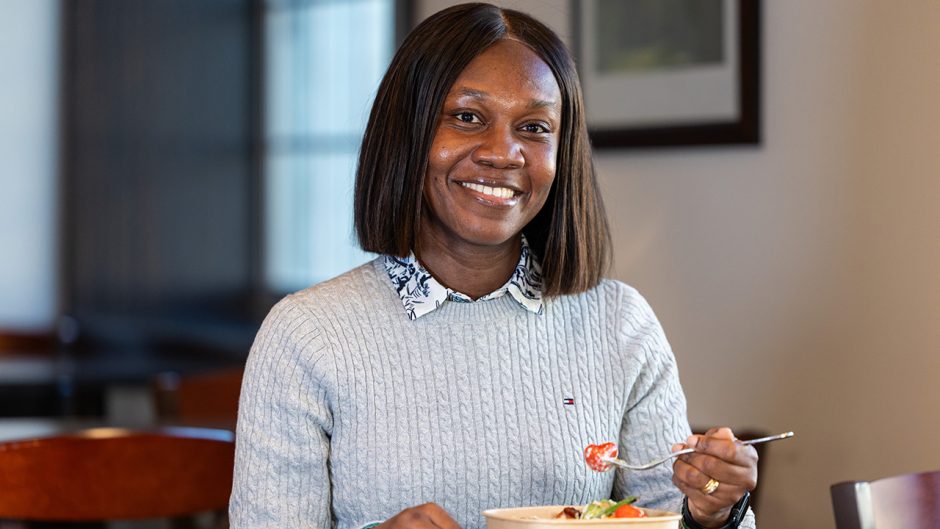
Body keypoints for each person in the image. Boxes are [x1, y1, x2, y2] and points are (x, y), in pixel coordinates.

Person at [229, 3, 758, 529]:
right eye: (467, 117)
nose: (503, 153)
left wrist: (713, 511)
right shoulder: (305, 336)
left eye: (533, 127)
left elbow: (667, 515)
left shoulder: (620, 324)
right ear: (407, 133)